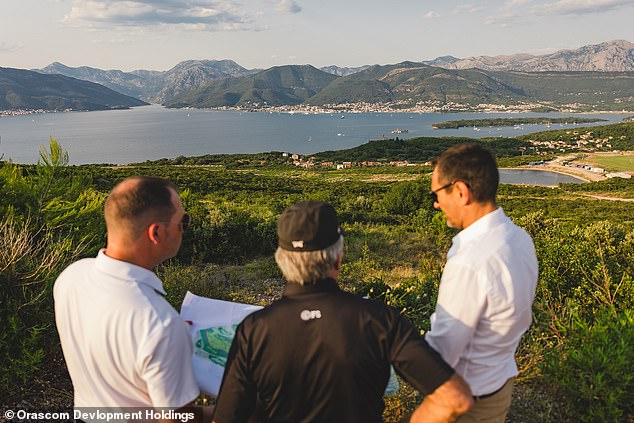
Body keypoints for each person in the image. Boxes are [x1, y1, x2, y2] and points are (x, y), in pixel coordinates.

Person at [213, 201, 473, 423]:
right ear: (338, 257)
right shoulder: (380, 321)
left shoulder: (254, 330)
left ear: (281, 260)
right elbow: (454, 398)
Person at [54, 176, 199, 414]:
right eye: (183, 221)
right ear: (157, 233)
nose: (185, 228)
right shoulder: (160, 324)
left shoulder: (70, 277)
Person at [424, 143, 538, 422]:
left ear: (461, 192)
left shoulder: (470, 261)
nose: (437, 203)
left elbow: (444, 350)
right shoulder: (519, 238)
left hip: (466, 397)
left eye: (437, 194)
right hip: (500, 385)